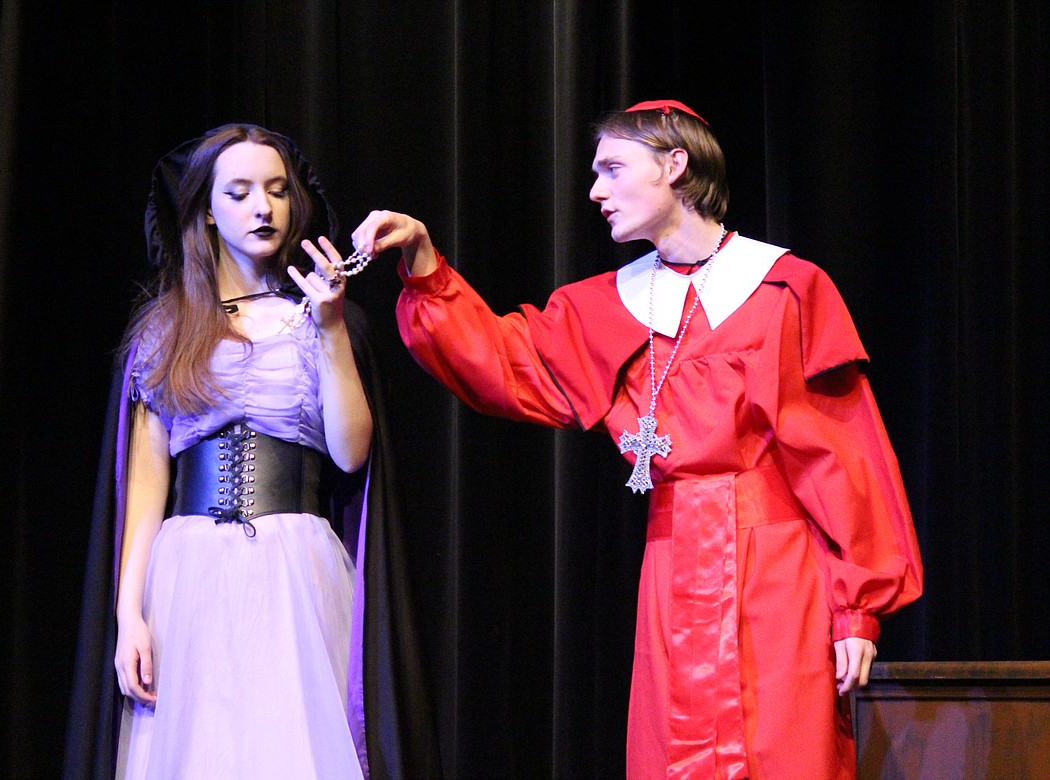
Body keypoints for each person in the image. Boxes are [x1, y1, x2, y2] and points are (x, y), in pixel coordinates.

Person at [351, 100, 923, 779]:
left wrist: (857, 608)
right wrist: (423, 264)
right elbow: (502, 362)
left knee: (783, 751)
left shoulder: (785, 289)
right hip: (674, 560)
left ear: (674, 165)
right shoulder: (603, 306)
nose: (595, 190)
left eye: (612, 168)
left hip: (777, 571)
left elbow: (844, 456)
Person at [63, 124, 439, 779]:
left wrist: (329, 327)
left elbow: (352, 455)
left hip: (292, 567)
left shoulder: (322, 316)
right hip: (187, 572)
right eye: (238, 193)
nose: (262, 207)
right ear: (207, 207)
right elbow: (147, 485)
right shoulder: (166, 327)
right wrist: (128, 615)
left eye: (275, 191)